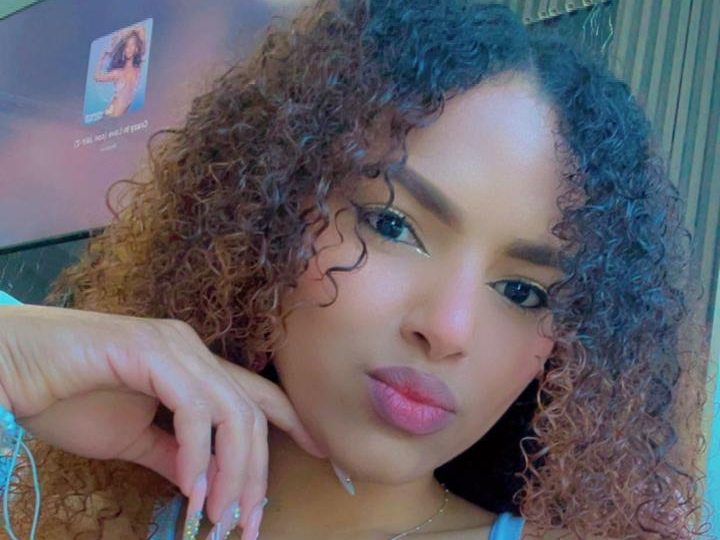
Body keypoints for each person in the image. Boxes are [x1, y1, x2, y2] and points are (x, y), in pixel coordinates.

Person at [0, 0, 708, 538]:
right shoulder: (91, 516)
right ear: (267, 211)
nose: (448, 327)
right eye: (393, 225)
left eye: (522, 291)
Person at [94, 25, 146, 118]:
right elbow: (97, 77)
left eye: (132, 45)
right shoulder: (118, 73)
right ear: (123, 50)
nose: (129, 48)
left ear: (136, 48)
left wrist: (129, 31)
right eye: (126, 46)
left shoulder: (138, 69)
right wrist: (102, 57)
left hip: (123, 116)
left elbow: (141, 29)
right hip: (112, 113)